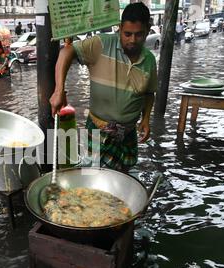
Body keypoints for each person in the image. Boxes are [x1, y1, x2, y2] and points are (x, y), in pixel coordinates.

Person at [49, 2, 157, 172]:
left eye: (139, 34)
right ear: (120, 28)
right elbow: (66, 52)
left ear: (147, 30)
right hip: (97, 130)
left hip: (128, 134)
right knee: (90, 178)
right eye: (127, 34)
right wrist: (58, 90)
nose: (132, 40)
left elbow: (149, 93)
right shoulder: (101, 44)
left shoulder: (149, 60)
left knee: (122, 177)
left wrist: (145, 119)